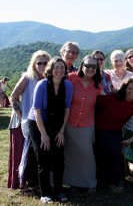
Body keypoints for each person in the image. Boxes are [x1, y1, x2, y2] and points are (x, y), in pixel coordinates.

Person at [28, 57, 73, 204]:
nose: (59, 70)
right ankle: (45, 193)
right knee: (43, 157)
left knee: (59, 158)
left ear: (65, 70)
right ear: (50, 69)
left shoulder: (68, 85)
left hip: (57, 123)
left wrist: (61, 132)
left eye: (62, 67)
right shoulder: (41, 85)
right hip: (38, 123)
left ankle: (59, 190)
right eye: (56, 67)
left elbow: (67, 109)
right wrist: (44, 135)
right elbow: (36, 111)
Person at [95, 78, 133, 192]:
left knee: (117, 155)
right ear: (124, 89)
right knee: (103, 155)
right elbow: (96, 101)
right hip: (101, 129)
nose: (132, 91)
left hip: (116, 131)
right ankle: (106, 182)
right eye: (129, 88)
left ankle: (119, 181)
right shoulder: (113, 98)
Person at [8, 51, 51, 192]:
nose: (42, 65)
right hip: (26, 121)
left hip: (42, 121)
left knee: (36, 154)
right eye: (39, 63)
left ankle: (35, 182)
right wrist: (22, 117)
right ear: (34, 64)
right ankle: (22, 184)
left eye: (45, 62)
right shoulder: (27, 78)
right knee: (24, 153)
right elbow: (13, 97)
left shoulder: (50, 79)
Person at [63, 55, 103, 193]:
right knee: (70, 154)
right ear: (82, 66)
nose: (90, 69)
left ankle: (89, 183)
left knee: (87, 155)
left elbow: (109, 102)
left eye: (93, 66)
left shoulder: (98, 86)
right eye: (87, 65)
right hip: (69, 122)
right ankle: (72, 182)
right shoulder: (71, 78)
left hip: (86, 125)